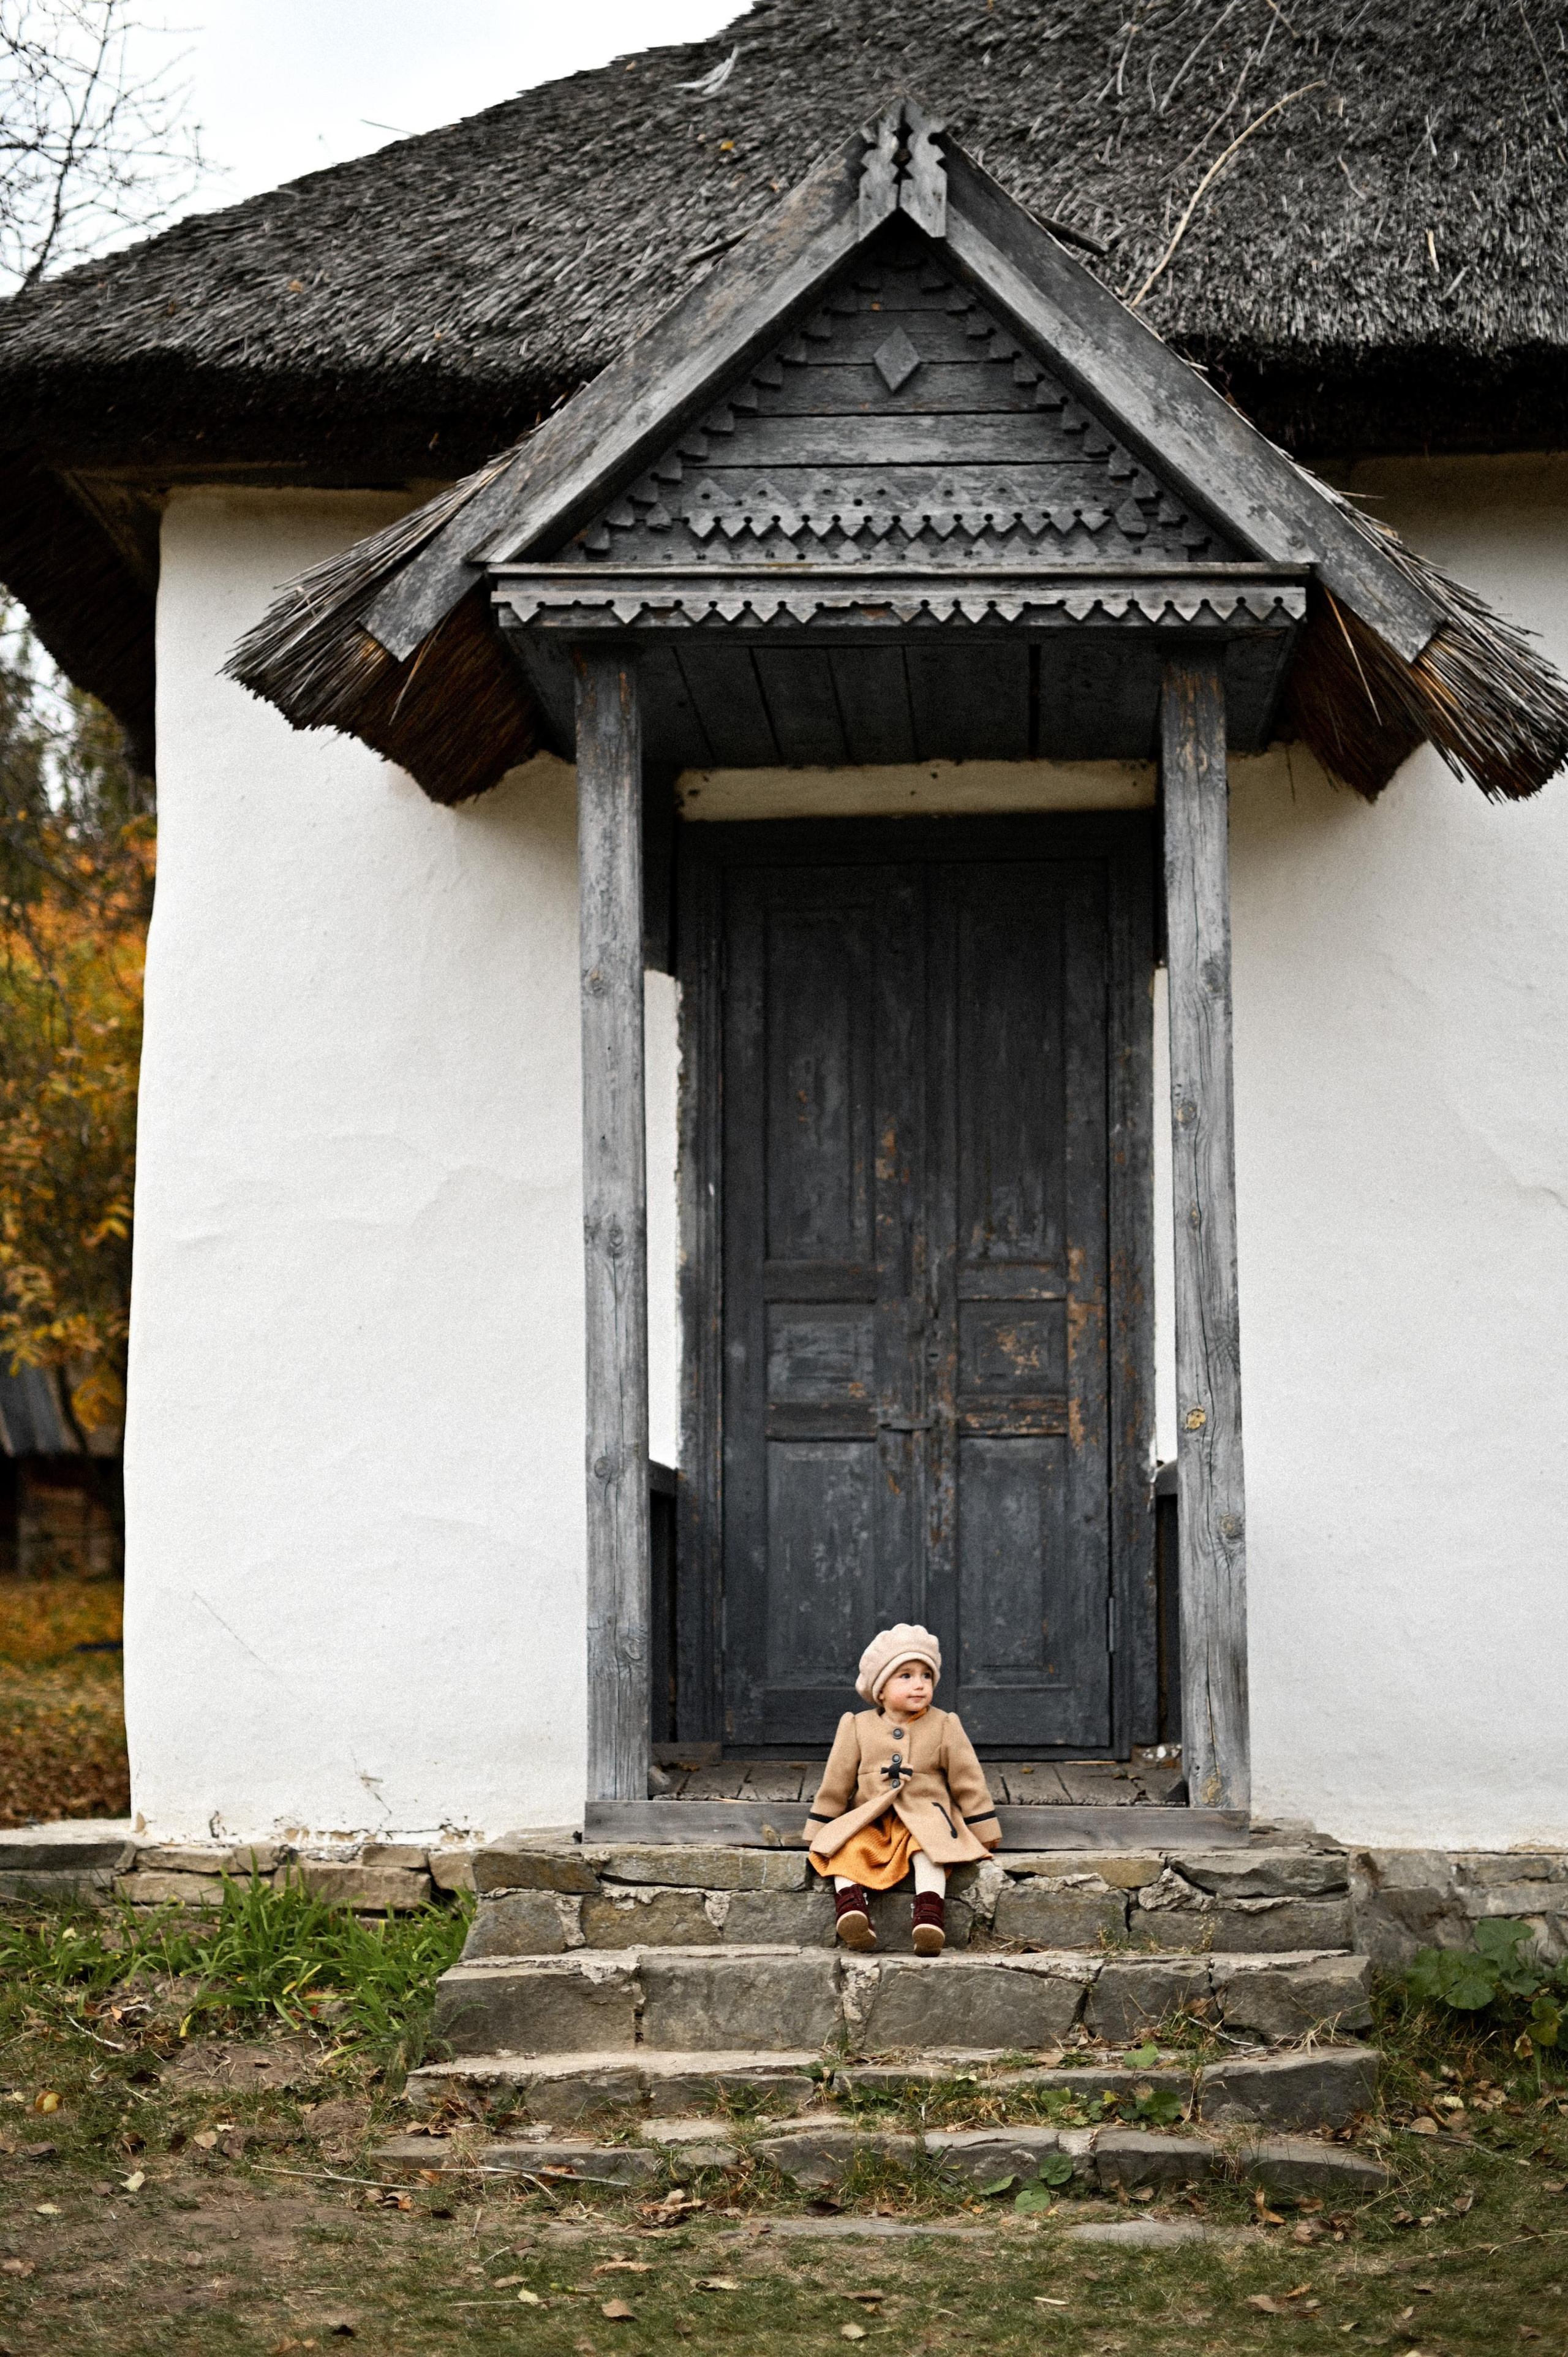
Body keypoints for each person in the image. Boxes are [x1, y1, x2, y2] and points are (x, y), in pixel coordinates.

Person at [806, 1623, 1001, 1956]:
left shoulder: (944, 1724)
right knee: (845, 1852)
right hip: (871, 1820)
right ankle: (852, 1910)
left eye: (926, 1676)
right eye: (906, 1676)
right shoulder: (857, 1726)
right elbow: (836, 1782)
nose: (920, 1685)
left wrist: (983, 1826)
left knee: (929, 1853)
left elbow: (967, 1779)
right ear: (880, 1689)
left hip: (927, 1818)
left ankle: (929, 1917)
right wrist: (821, 1827)